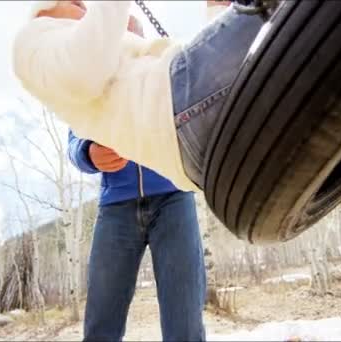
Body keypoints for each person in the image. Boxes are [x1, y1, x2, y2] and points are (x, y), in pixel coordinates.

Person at [13, 0, 266, 192]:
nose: (84, 7)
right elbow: (82, 74)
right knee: (276, 14)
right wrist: (84, 152)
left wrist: (222, 13)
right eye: (76, 3)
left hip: (194, 149)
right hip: (175, 112)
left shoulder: (115, 64)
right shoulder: (33, 39)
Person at [66, 15, 206, 341]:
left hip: (174, 199)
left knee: (185, 323)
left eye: (132, 37)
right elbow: (73, 143)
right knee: (101, 321)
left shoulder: (165, 76)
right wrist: (88, 152)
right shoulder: (91, 90)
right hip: (116, 208)